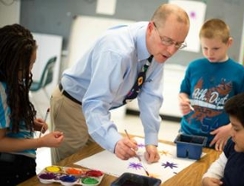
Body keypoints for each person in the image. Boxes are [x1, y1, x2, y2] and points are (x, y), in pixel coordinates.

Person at [50, 3, 190, 164]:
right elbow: (95, 103)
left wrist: (151, 140)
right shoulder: (118, 51)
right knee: (71, 169)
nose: (171, 51)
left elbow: (151, 97)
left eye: (179, 44)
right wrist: (115, 141)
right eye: (168, 41)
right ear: (151, 28)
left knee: (95, 164)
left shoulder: (159, 46)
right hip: (72, 105)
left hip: (98, 109)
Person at [0, 24, 64, 185]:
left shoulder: (13, 82)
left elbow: (8, 120)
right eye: (26, 67)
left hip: (21, 162)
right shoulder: (1, 91)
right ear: (8, 63)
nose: (29, 72)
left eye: (32, 64)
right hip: (9, 167)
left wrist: (29, 123)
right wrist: (41, 142)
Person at [178, 18, 244, 151]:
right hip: (188, 133)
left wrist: (231, 128)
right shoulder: (194, 67)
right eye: (205, 48)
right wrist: (183, 100)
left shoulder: (239, 72)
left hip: (220, 139)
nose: (209, 53)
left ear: (229, 43)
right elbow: (184, 91)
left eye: (216, 48)